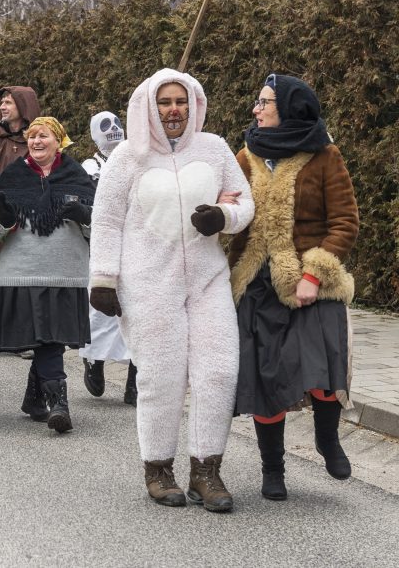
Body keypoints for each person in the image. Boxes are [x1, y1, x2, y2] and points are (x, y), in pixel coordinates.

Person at [89, 69, 254, 512]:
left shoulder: (215, 148)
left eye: (181, 101)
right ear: (149, 107)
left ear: (194, 104)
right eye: (165, 103)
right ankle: (158, 469)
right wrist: (103, 279)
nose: (174, 109)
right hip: (148, 283)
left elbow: (244, 201)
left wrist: (223, 216)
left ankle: (206, 471)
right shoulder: (128, 157)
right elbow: (105, 221)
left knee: (218, 370)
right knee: (161, 377)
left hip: (207, 279)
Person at [229, 74, 359, 501]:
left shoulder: (324, 155)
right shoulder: (245, 156)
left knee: (321, 365)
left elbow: (344, 222)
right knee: (267, 380)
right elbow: (228, 213)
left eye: (264, 102)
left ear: (288, 107)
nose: (256, 109)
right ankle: (273, 469)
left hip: (311, 279)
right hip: (258, 283)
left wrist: (313, 274)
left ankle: (327, 439)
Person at [0, 117, 93, 433]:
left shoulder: (78, 177)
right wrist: (3, 219)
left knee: (50, 339)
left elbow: (100, 228)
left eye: (43, 136)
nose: (36, 141)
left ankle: (38, 399)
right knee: (47, 339)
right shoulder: (12, 178)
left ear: (59, 141)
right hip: (23, 272)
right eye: (32, 136)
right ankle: (58, 403)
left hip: (65, 273)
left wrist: (84, 216)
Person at [79, 111, 137, 405]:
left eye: (117, 124)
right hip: (103, 244)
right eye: (105, 126)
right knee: (102, 310)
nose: (113, 130)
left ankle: (134, 381)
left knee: (138, 310)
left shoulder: (137, 159)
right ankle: (95, 359)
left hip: (138, 244)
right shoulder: (90, 168)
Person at [0, 86, 43, 175]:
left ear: (23, 107)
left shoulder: (39, 141)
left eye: (8, 103)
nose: (2, 107)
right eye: (2, 102)